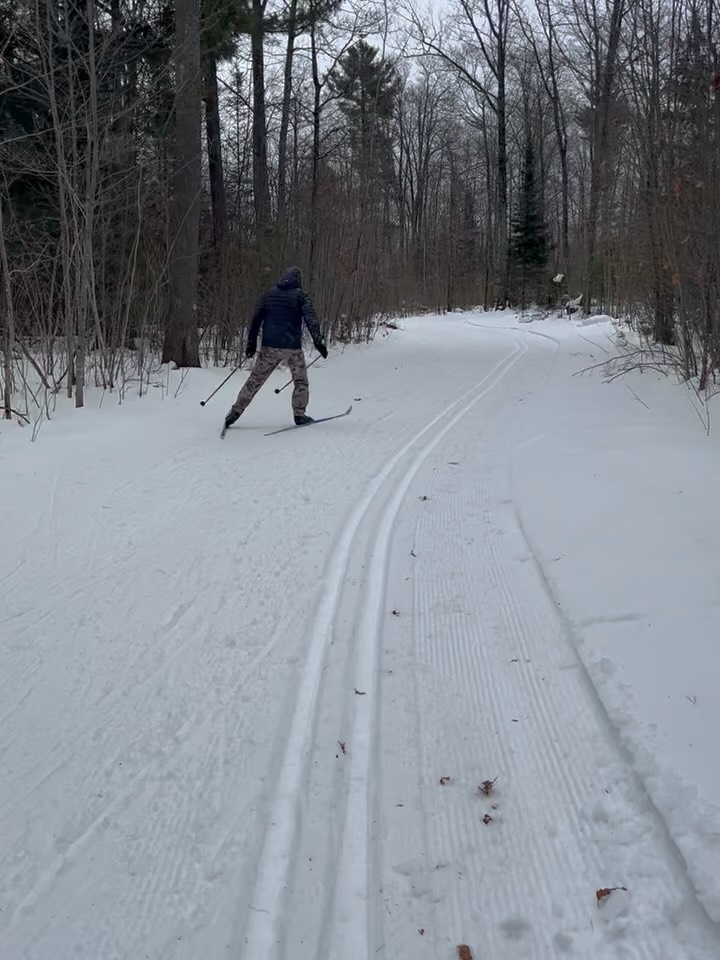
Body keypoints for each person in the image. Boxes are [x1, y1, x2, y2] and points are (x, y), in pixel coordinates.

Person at [223, 267, 328, 431]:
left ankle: (235, 412)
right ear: (297, 281)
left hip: (269, 347)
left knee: (255, 380)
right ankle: (299, 414)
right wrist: (318, 341)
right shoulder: (301, 296)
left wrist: (251, 341)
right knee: (300, 381)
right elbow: (310, 318)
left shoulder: (269, 294)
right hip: (292, 347)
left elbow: (256, 318)